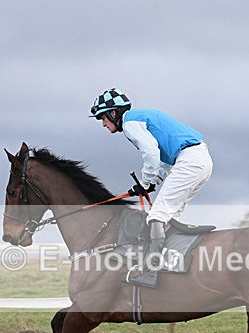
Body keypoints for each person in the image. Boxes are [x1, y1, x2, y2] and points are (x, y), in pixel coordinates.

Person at [89, 88, 213, 288]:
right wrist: (153, 181)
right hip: (197, 161)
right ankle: (172, 268)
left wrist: (146, 182)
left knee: (156, 217)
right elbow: (164, 158)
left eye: (102, 118)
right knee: (169, 219)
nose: (103, 124)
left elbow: (151, 153)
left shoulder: (130, 123)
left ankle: (151, 272)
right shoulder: (142, 118)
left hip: (190, 162)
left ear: (113, 113)